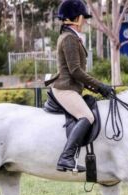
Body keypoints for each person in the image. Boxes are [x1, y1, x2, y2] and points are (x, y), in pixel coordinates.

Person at [46, 0, 113, 173]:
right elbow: (75, 71)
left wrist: (98, 89)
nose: (84, 21)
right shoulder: (69, 38)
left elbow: (78, 74)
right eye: (83, 17)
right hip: (65, 88)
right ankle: (66, 158)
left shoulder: (71, 37)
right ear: (76, 18)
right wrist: (100, 85)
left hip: (71, 87)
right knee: (87, 116)